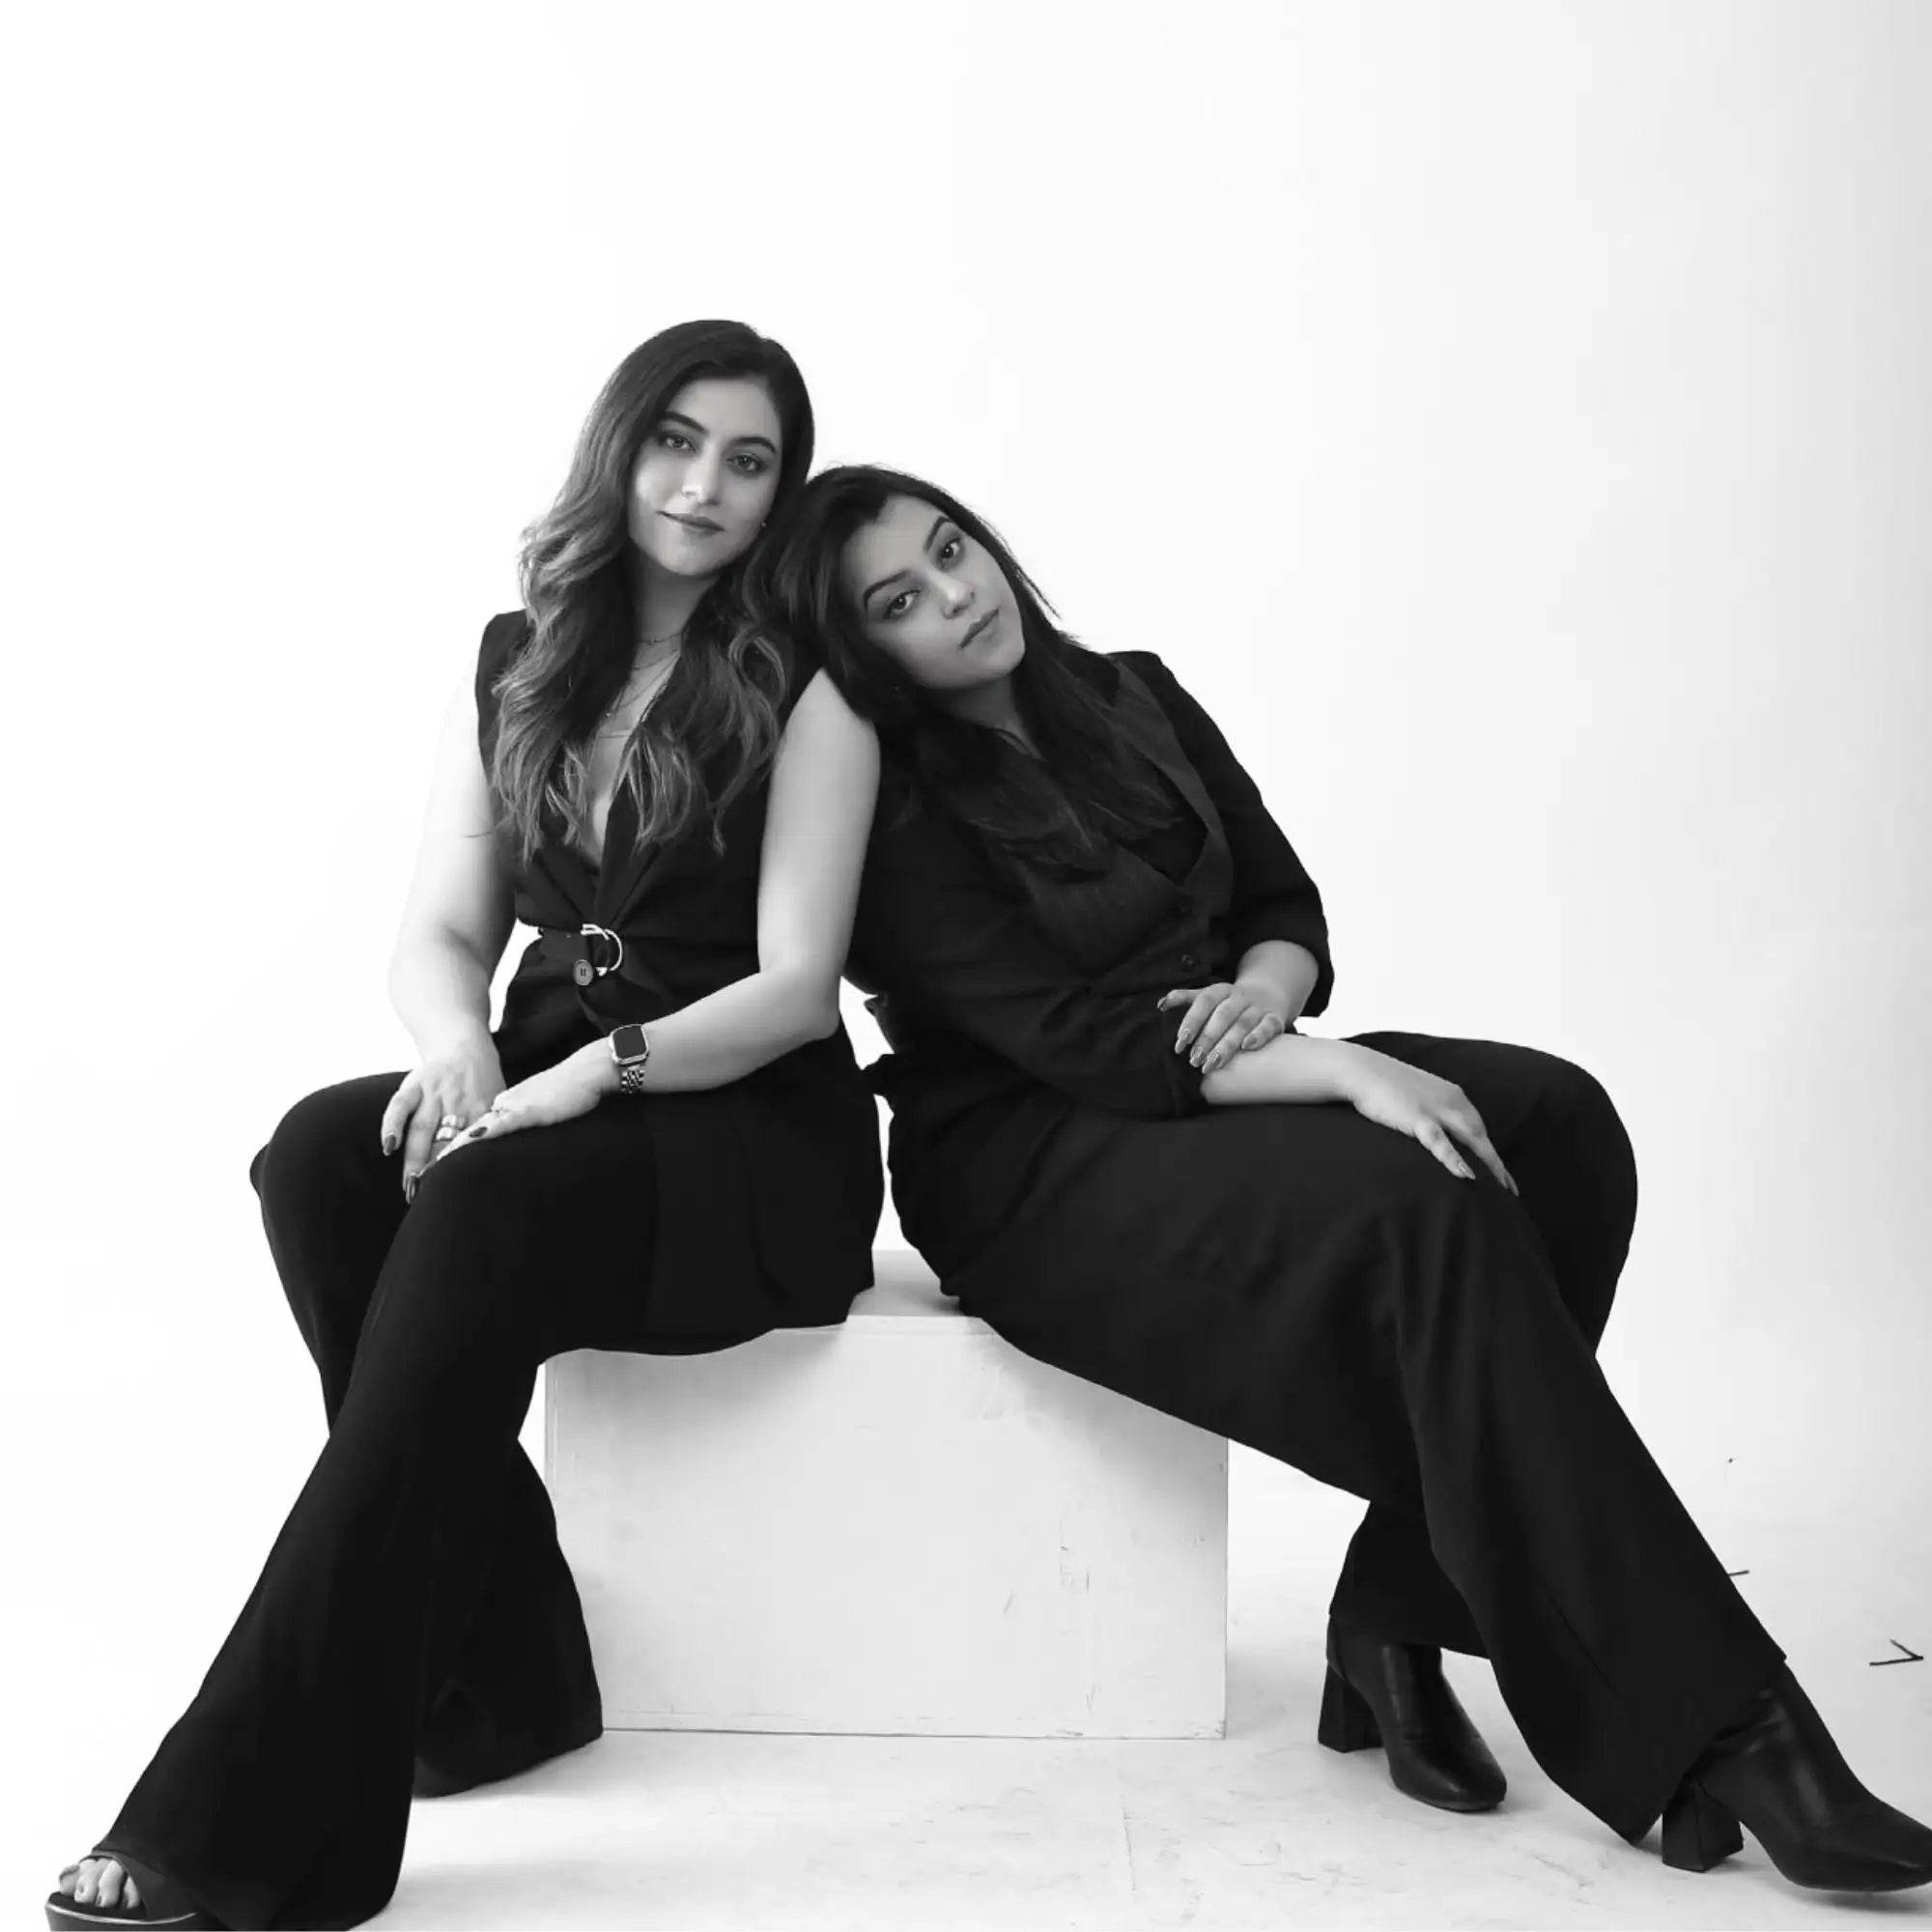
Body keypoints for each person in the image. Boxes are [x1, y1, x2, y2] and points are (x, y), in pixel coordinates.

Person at [756, 461, 1932, 1896]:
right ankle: (1733, 1733)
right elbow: (1076, 1042)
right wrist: (1344, 1069)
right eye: (903, 601)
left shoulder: (1133, 691)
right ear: (867, 649)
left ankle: (1394, 1612)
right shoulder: (893, 795)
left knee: (1550, 1124)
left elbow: (1278, 899)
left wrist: (1271, 987)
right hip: (1029, 1152)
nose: (957, 596)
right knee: (1419, 1190)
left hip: (1227, 1068)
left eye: (954, 551)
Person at [47, 323, 885, 1931]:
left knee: (485, 1213)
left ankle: (249, 1824)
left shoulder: (812, 688)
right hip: (547, 1117)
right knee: (320, 1155)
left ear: (781, 496)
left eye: (751, 460)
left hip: (746, 1148)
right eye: (677, 441)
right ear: (619, 445)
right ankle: (504, 1668)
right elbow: (438, 930)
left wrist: (566, 1080)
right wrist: (459, 1060)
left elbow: (793, 990)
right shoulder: (521, 657)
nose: (705, 485)